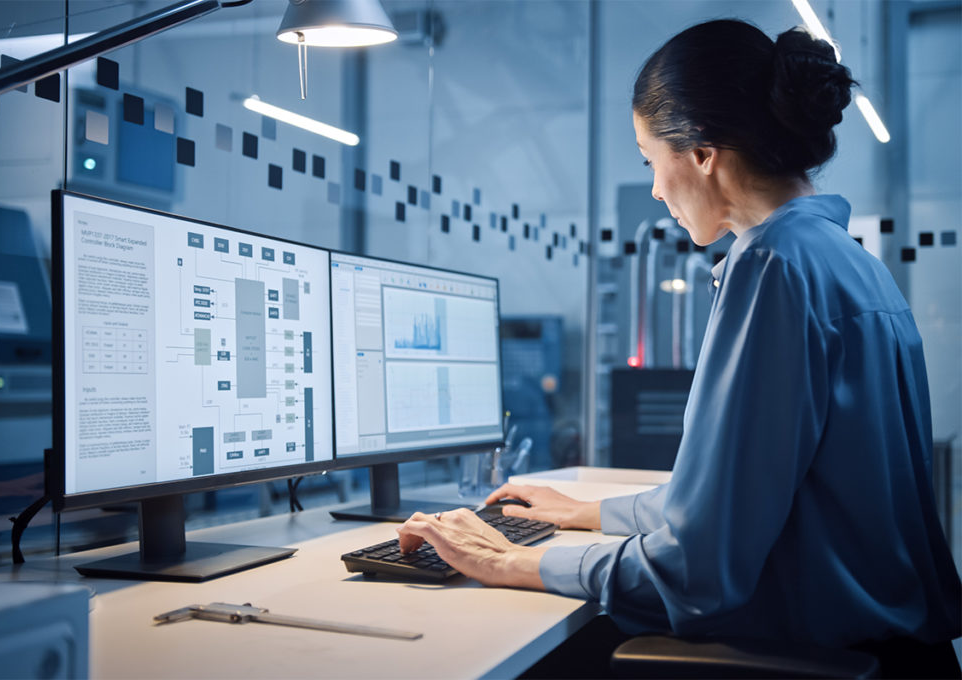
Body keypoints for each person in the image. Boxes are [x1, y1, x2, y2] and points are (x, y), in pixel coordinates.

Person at [398, 18, 961, 675]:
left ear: (700, 152)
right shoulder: (845, 262)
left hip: (823, 660)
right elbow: (734, 501)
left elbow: (699, 572)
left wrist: (512, 560)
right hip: (903, 659)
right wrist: (589, 513)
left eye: (649, 161)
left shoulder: (774, 267)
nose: (657, 190)